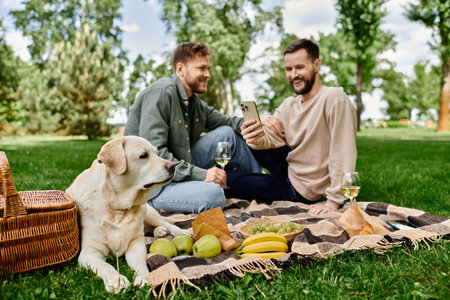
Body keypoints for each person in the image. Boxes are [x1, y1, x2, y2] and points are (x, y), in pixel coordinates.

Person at [124, 42, 263, 214]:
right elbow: (156, 156)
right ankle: (151, 206)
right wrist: (202, 175)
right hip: (152, 184)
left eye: (208, 68)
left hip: (178, 168)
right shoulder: (161, 93)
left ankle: (262, 185)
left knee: (227, 134)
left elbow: (228, 122)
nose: (208, 74)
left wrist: (261, 123)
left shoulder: (194, 102)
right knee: (213, 196)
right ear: (181, 69)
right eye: (202, 68)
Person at [225, 38, 357, 215]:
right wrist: (254, 135)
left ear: (317, 65)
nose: (293, 74)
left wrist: (333, 202)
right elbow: (270, 140)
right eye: (289, 69)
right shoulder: (289, 104)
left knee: (227, 180)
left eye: (300, 67)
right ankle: (245, 173)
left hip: (302, 188)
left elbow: (343, 151)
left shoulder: (333, 98)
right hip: (289, 167)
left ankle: (219, 178)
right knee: (239, 132)